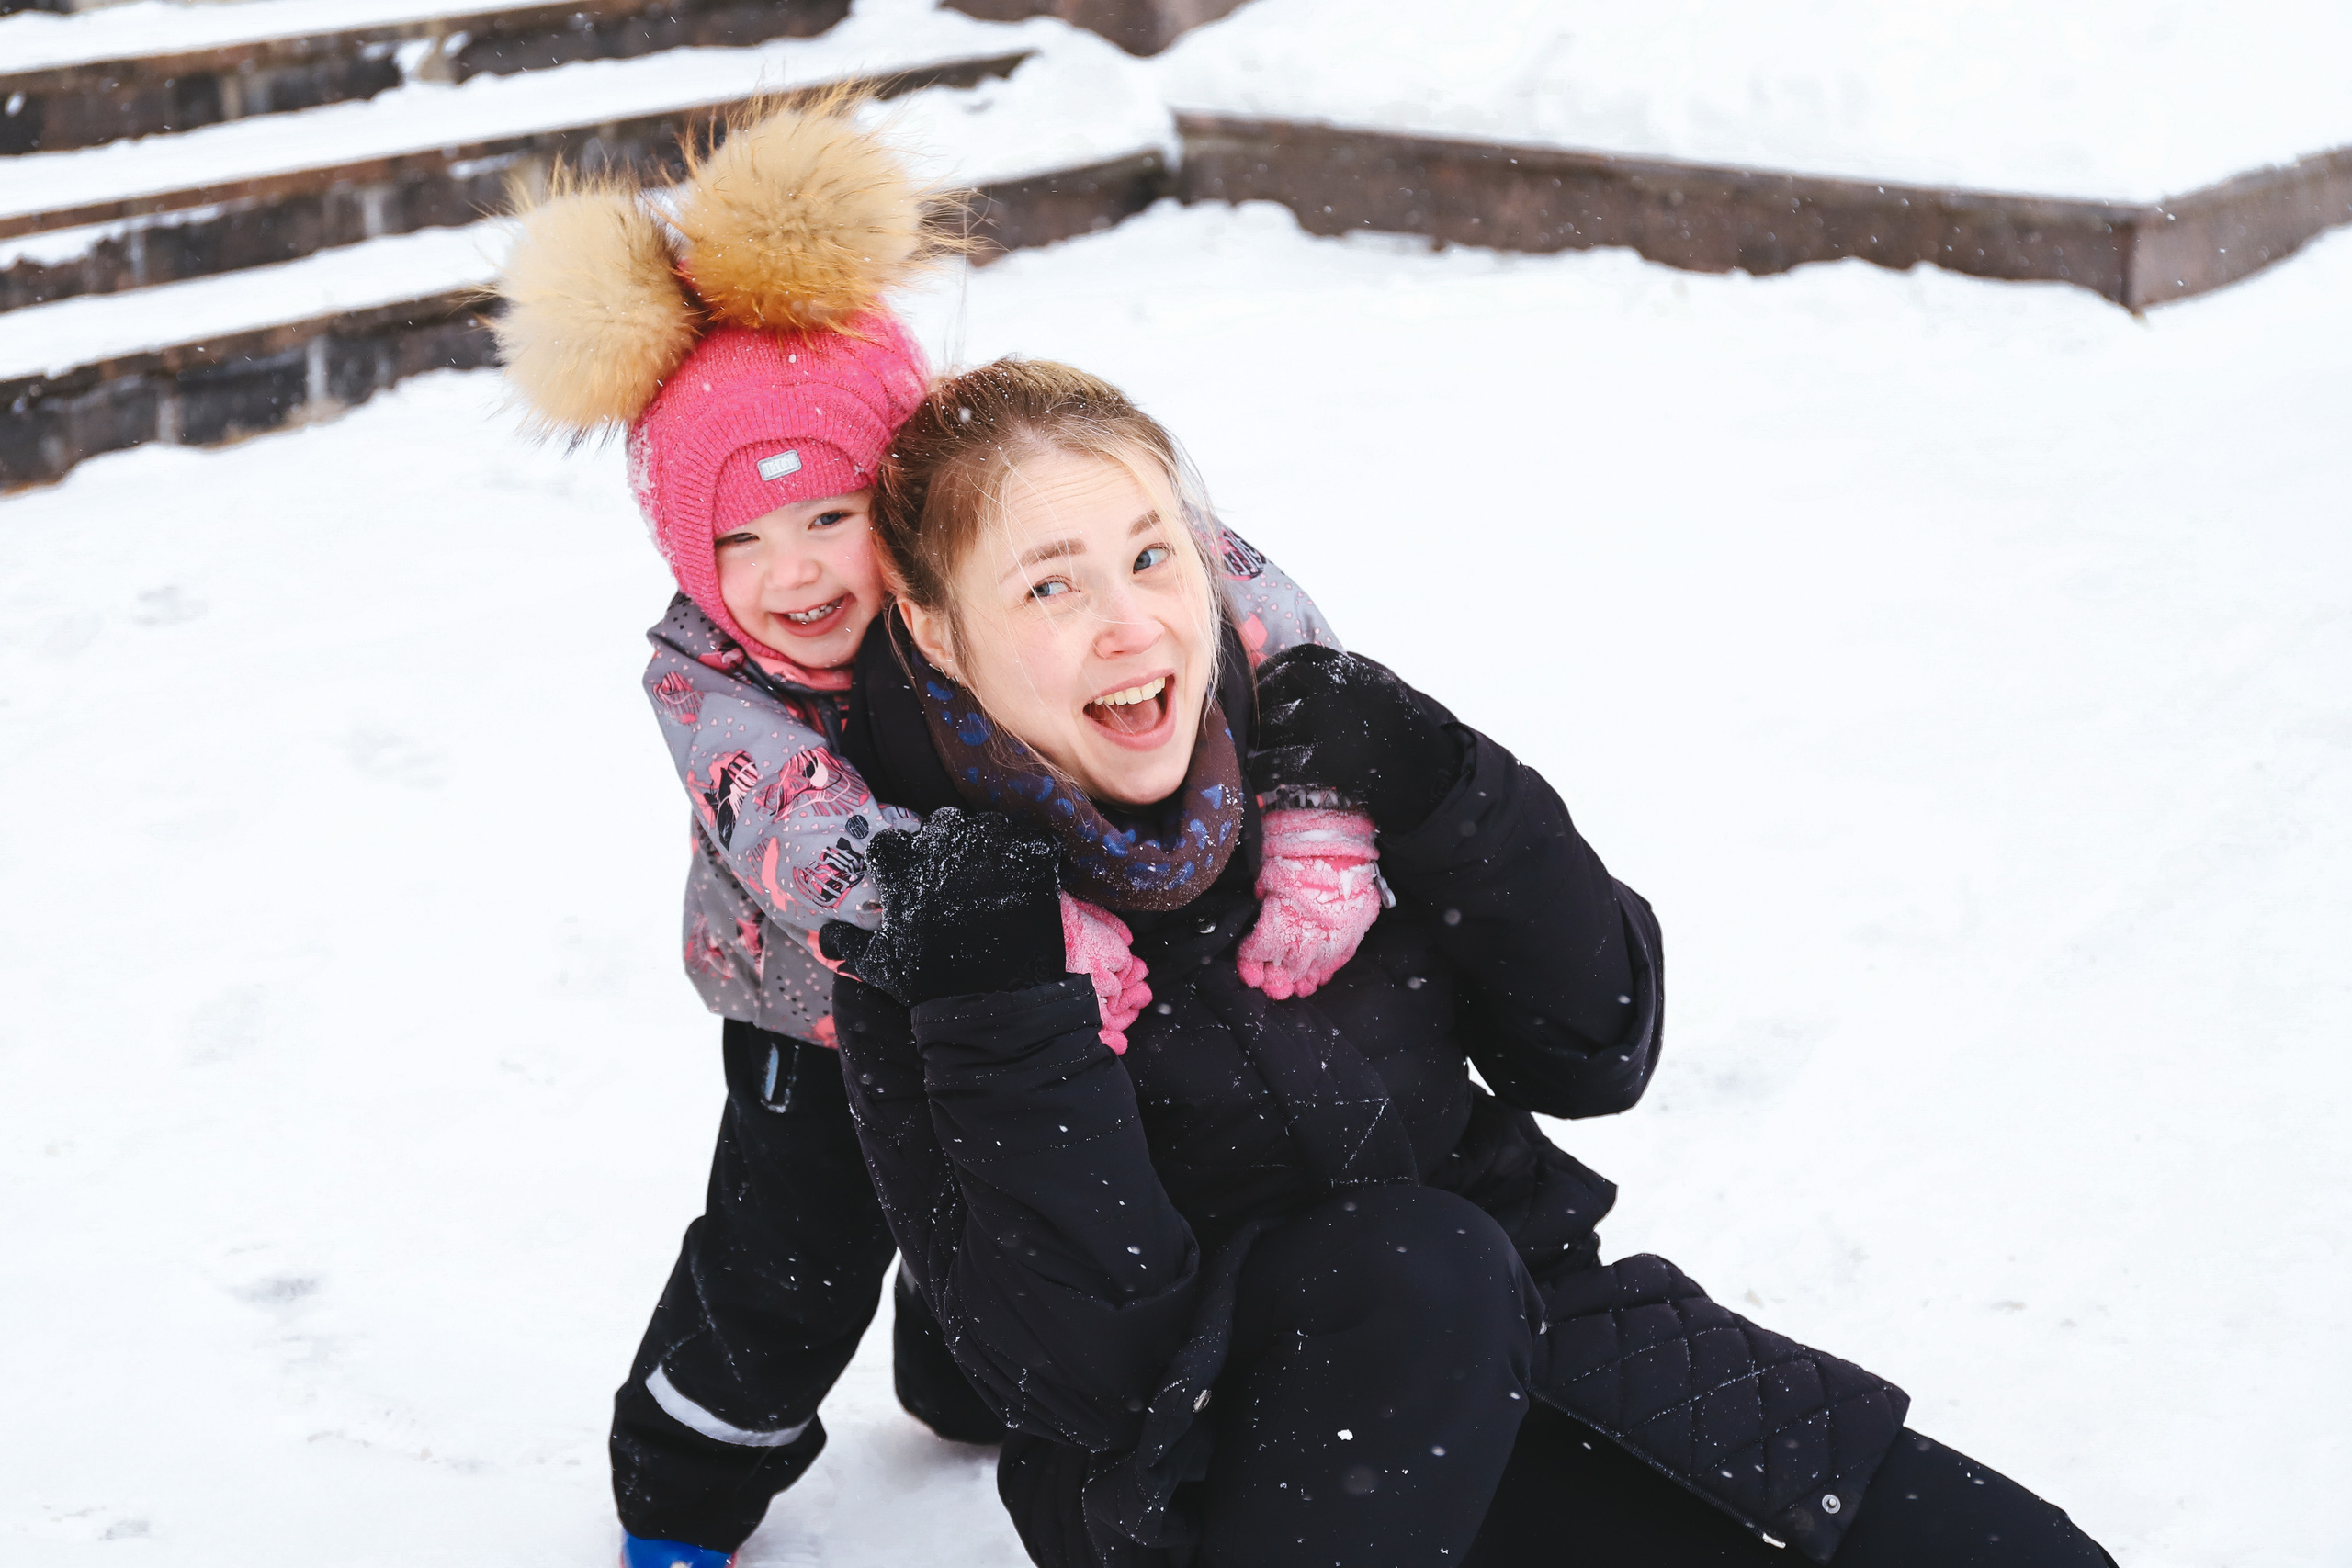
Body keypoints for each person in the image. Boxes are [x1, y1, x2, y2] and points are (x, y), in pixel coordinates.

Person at [821, 358, 2121, 1568]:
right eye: (1050, 587)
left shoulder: (1314, 763)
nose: (1131, 625)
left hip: (1549, 1334)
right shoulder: (930, 932)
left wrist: (1449, 788)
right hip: (1217, 1477)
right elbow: (1079, 1381)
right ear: (934, 630)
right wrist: (1004, 1013)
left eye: (1152, 556)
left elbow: (1598, 1043)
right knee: (1414, 1262)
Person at [490, 103, 1366, 1568]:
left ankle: (967, 1376)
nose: (788, 574)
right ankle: (684, 1480)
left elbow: (1222, 597)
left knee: (1022, 1199)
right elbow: (805, 833)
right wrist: (1003, 923)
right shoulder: (711, 680)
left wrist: (1324, 777)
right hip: (821, 1019)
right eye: (733, 542)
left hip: (1030, 999)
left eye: (825, 516)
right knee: (787, 1261)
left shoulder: (984, 555)